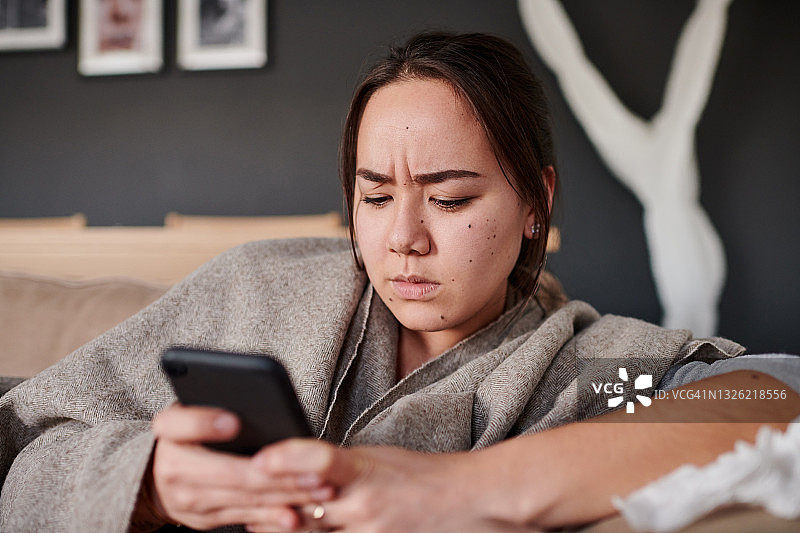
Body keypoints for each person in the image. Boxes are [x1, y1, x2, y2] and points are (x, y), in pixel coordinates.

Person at [0, 32, 798, 533]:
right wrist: (147, 486)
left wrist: (459, 489)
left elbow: (767, 398)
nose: (403, 238)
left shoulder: (591, 371)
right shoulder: (253, 294)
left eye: (450, 199)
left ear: (535, 203)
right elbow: (25, 437)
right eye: (375, 195)